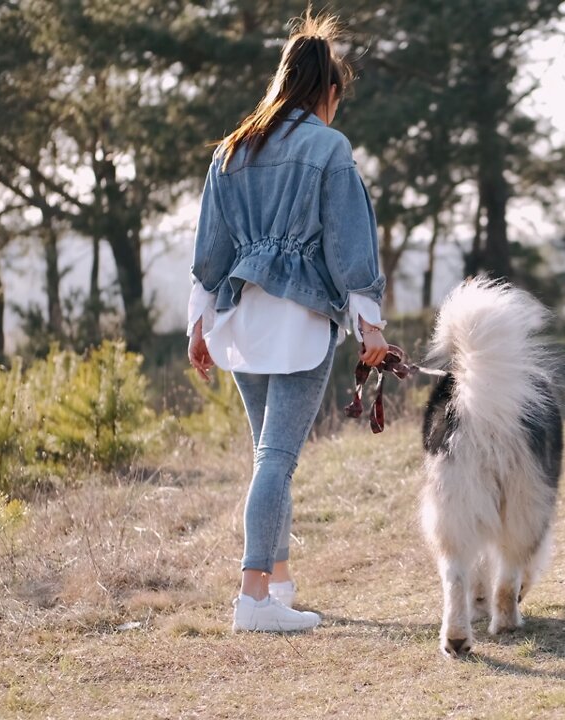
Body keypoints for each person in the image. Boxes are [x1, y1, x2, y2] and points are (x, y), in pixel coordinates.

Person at [186, 12, 388, 633]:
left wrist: (198, 326)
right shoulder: (329, 148)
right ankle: (252, 598)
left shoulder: (231, 148)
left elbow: (209, 254)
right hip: (298, 319)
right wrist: (370, 326)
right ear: (326, 89)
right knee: (276, 458)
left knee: (267, 457)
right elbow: (350, 246)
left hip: (240, 318)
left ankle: (278, 584)